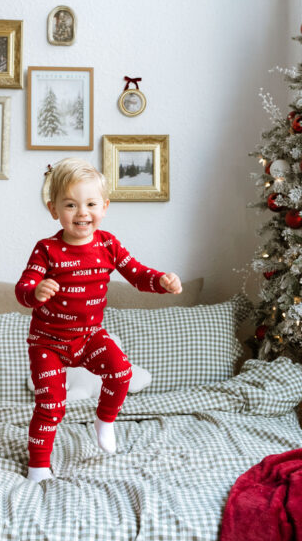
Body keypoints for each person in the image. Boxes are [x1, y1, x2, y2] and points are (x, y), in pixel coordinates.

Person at [15, 158, 182, 482]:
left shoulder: (107, 244)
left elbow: (137, 274)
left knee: (121, 371)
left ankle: (104, 421)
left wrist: (161, 280)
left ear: (104, 207)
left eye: (90, 203)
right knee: (50, 405)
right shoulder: (47, 250)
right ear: (54, 210)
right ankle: (37, 467)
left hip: (89, 336)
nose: (82, 212)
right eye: (70, 204)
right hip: (48, 343)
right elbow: (23, 289)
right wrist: (36, 292)